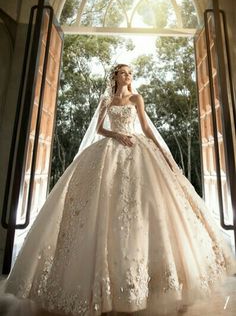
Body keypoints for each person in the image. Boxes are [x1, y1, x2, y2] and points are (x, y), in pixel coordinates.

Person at [0, 64, 236, 316]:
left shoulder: (136, 98)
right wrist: (116, 136)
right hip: (110, 148)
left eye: (131, 73)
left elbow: (145, 127)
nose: (128, 76)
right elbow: (99, 129)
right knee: (103, 206)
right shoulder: (106, 100)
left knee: (147, 206)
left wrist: (162, 151)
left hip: (137, 149)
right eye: (123, 72)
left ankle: (152, 283)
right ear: (114, 76)